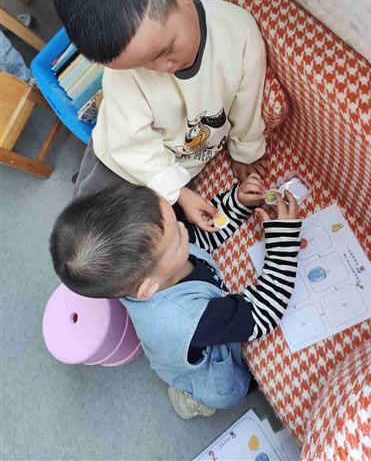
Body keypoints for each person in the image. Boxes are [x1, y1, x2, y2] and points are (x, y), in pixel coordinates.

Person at [50, 0, 268, 232]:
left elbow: (248, 104)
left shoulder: (237, 33)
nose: (162, 68)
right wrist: (178, 192)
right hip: (124, 151)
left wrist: (246, 151)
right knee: (95, 233)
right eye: (141, 65)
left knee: (161, 236)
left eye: (165, 50)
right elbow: (128, 145)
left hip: (179, 158)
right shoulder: (122, 76)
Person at [50, 173, 302, 419]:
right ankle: (193, 398)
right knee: (239, 384)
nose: (183, 227)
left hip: (172, 342)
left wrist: (236, 203)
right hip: (217, 379)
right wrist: (284, 238)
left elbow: (200, 236)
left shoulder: (154, 261)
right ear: (148, 287)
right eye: (178, 237)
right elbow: (263, 313)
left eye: (175, 222)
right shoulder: (188, 319)